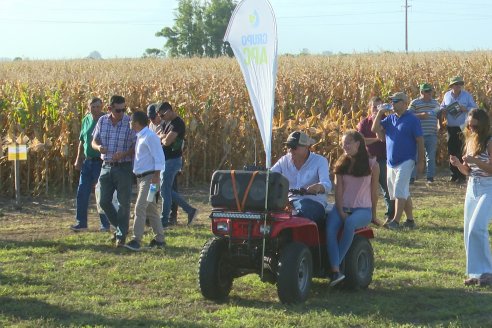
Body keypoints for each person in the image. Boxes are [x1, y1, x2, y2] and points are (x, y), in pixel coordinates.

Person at [326, 130, 379, 286]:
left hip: (363, 210)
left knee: (349, 223)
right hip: (342, 207)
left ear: (358, 143)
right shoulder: (341, 164)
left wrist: (374, 215)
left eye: (348, 143)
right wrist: (341, 211)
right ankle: (335, 270)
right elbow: (338, 190)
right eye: (343, 143)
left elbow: (374, 193)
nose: (345, 146)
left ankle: (334, 267)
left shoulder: (372, 165)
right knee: (330, 229)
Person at [450, 108, 492, 286]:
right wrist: (459, 165)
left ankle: (487, 271)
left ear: (482, 124)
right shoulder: (470, 141)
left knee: (477, 228)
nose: (471, 127)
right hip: (472, 187)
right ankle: (476, 272)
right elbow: (468, 171)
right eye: (469, 124)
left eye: (474, 125)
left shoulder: (489, 142)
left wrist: (475, 161)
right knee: (468, 231)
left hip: (488, 187)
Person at [372, 92, 425, 229]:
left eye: (396, 101)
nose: (393, 104)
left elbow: (420, 141)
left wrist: (420, 161)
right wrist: (379, 113)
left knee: (399, 189)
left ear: (404, 103)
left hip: (407, 160)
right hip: (391, 162)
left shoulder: (412, 120)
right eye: (392, 101)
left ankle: (395, 221)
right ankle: (410, 220)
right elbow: (375, 129)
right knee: (402, 192)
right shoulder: (390, 119)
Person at [92, 95, 136, 247]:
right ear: (110, 109)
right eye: (118, 110)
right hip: (106, 165)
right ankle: (120, 229)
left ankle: (121, 236)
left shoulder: (129, 122)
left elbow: (136, 146)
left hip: (123, 167)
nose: (122, 112)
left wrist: (123, 154)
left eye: (124, 109)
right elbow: (94, 140)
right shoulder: (102, 121)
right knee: (103, 201)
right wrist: (98, 147)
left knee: (124, 203)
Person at [124, 111, 166, 251]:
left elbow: (159, 158)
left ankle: (136, 240)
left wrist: (155, 177)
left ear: (136, 123)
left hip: (149, 179)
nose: (129, 123)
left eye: (131, 121)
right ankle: (160, 239)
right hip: (142, 179)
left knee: (140, 207)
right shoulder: (141, 136)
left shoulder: (150, 137)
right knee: (151, 208)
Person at [271, 131, 332, 224]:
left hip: (314, 203)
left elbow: (327, 184)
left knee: (303, 214)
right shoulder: (284, 160)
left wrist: (319, 187)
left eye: (294, 147)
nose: (290, 150)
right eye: (288, 147)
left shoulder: (320, 161)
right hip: (289, 202)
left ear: (307, 147)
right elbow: (270, 176)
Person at [71, 97, 110, 232]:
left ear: (102, 107)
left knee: (100, 193)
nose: (96, 109)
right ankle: (81, 222)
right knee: (82, 191)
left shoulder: (106, 119)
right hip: (87, 162)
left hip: (100, 162)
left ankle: (105, 224)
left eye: (98, 106)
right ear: (88, 107)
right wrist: (78, 158)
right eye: (93, 107)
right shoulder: (86, 119)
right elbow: (82, 141)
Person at [157, 101, 197, 228]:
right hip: (165, 160)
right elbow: (160, 135)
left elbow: (167, 142)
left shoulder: (178, 123)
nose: (161, 118)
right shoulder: (164, 122)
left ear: (169, 111)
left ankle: (164, 221)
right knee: (166, 189)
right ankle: (190, 210)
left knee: (165, 191)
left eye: (162, 115)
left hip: (173, 161)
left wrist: (163, 138)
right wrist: (163, 137)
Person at [357, 96, 394, 223]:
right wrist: (376, 139)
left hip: (383, 159)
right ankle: (367, 215)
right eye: (374, 106)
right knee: (366, 189)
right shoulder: (364, 122)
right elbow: (360, 140)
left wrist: (377, 126)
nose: (376, 109)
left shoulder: (387, 120)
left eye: (379, 107)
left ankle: (390, 215)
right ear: (369, 107)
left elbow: (383, 138)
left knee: (387, 188)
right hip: (368, 159)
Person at [441, 76, 477, 183]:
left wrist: (465, 109)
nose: (457, 86)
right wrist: (443, 109)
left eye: (459, 84)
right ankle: (454, 174)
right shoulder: (447, 95)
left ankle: (462, 175)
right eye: (455, 84)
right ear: (451, 86)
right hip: (451, 127)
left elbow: (475, 108)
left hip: (464, 127)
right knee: (452, 151)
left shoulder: (466, 95)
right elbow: (442, 106)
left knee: (462, 150)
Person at [148, 103, 179, 224]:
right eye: (150, 117)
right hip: (154, 162)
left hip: (167, 160)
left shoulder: (164, 123)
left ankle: (172, 216)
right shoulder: (151, 125)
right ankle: (150, 214)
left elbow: (166, 141)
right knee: (153, 188)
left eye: (154, 117)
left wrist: (160, 136)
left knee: (169, 189)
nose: (152, 119)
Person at [408, 83, 441, 184]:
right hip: (417, 135)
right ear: (421, 92)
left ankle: (430, 178)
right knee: (415, 156)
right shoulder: (415, 103)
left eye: (430, 91)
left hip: (432, 133)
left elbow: (439, 115)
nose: (430, 93)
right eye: (427, 91)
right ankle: (412, 178)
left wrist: (440, 126)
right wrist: (420, 115)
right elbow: (408, 115)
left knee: (431, 157)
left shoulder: (436, 103)